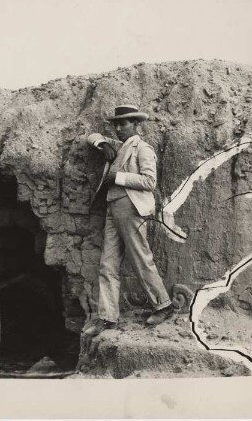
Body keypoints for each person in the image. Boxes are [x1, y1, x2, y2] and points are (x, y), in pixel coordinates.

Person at [83, 105, 174, 336]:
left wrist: (118, 177)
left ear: (136, 125)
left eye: (123, 124)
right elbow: (90, 136)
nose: (118, 128)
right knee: (107, 263)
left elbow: (149, 182)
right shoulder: (115, 145)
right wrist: (102, 145)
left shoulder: (142, 148)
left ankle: (163, 305)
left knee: (140, 258)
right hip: (113, 207)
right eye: (116, 124)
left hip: (131, 207)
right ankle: (108, 317)